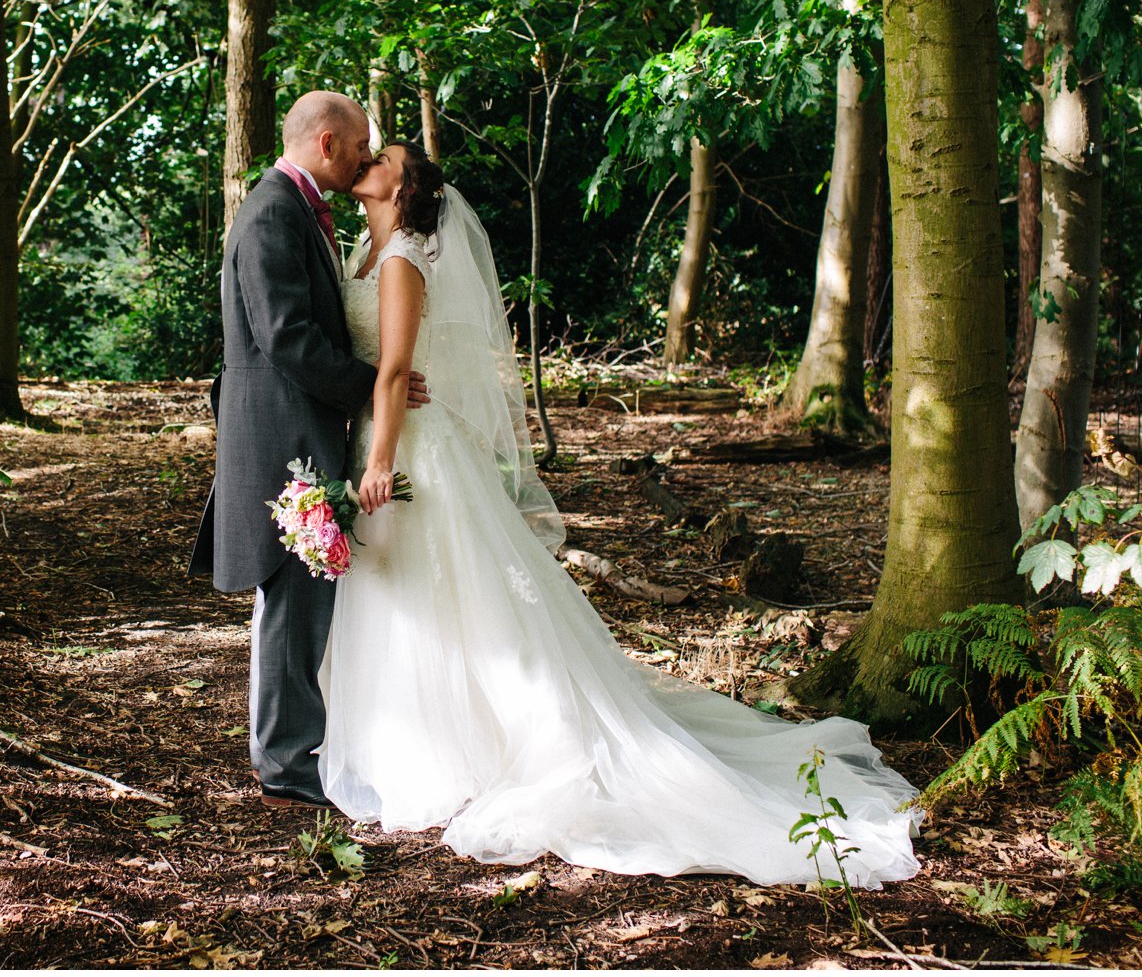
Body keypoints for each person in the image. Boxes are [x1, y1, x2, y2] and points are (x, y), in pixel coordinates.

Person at [318, 141, 922, 886]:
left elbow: (395, 371)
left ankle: (486, 746)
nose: (369, 159)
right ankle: (412, 741)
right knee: (405, 591)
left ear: (402, 189)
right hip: (381, 440)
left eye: (384, 157)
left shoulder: (404, 256)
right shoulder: (359, 252)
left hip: (412, 452)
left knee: (444, 590)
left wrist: (379, 462)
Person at [190, 92, 428, 809]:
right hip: (283, 436)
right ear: (328, 143)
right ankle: (288, 767)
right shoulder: (272, 211)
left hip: (299, 432)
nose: (363, 159)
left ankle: (294, 751)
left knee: (302, 604)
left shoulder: (296, 207)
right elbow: (287, 334)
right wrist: (372, 385)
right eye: (359, 147)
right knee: (291, 604)